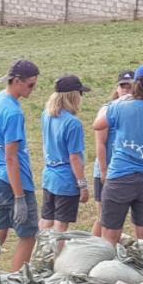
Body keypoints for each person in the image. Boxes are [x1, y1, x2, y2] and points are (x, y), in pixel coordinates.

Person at [93, 65, 143, 246]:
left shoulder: (120, 108)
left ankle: (108, 273)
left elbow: (97, 125)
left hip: (120, 179)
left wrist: (118, 102)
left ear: (135, 84)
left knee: (109, 236)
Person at [0, 59, 40, 272]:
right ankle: (16, 283)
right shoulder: (14, 113)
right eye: (30, 85)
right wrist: (19, 198)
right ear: (16, 81)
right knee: (28, 236)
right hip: (14, 182)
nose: (33, 90)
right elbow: (11, 158)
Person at [40, 75, 90, 241]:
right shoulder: (73, 123)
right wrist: (82, 185)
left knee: (46, 222)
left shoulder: (46, 115)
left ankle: (38, 258)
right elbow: (75, 158)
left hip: (49, 176)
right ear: (73, 96)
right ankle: (54, 261)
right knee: (60, 228)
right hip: (66, 180)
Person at [91, 70, 134, 237]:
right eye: (123, 86)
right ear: (117, 89)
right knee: (104, 217)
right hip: (108, 170)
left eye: (131, 87)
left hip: (124, 171)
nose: (126, 90)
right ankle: (91, 251)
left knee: (116, 219)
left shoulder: (136, 111)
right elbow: (100, 142)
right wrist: (103, 170)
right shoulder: (107, 110)